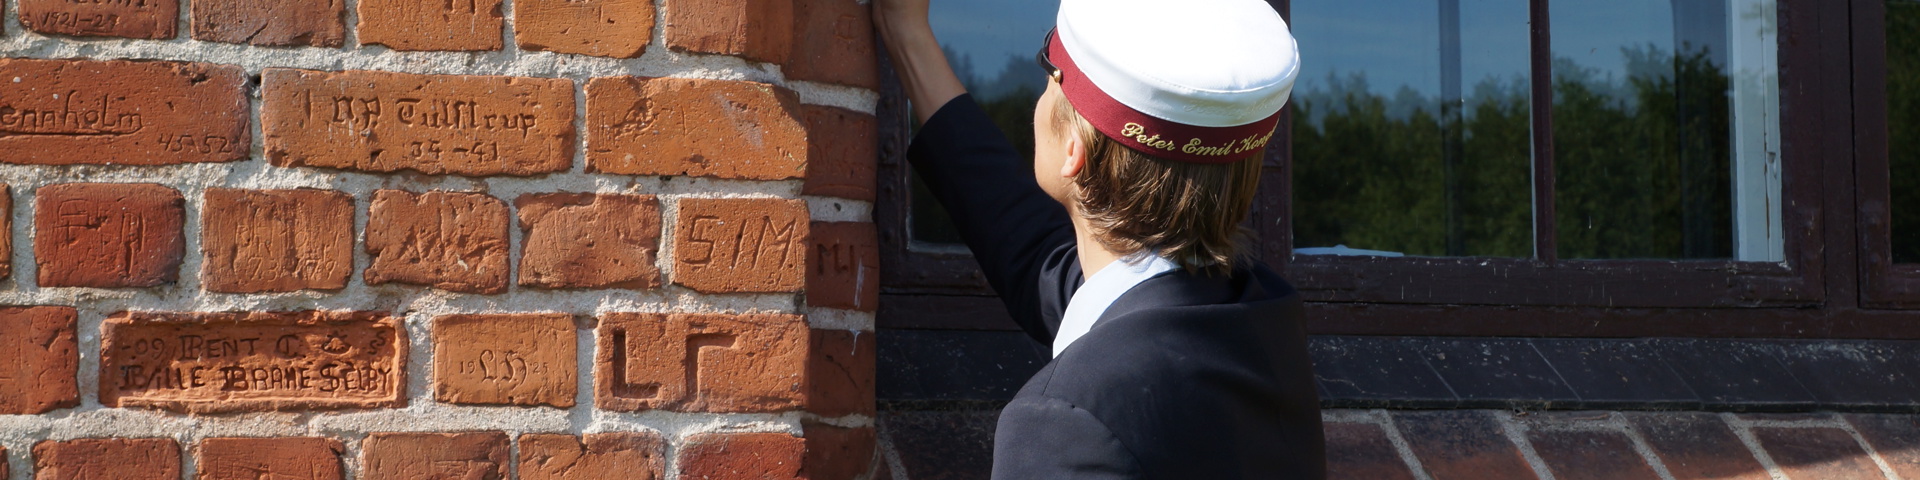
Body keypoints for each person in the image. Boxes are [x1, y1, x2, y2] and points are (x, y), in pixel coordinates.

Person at [873, 0, 1325, 477]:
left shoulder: (1068, 425)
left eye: (1048, 70)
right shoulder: (1261, 319)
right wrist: (907, 35)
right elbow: (1035, 253)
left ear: (1074, 149)